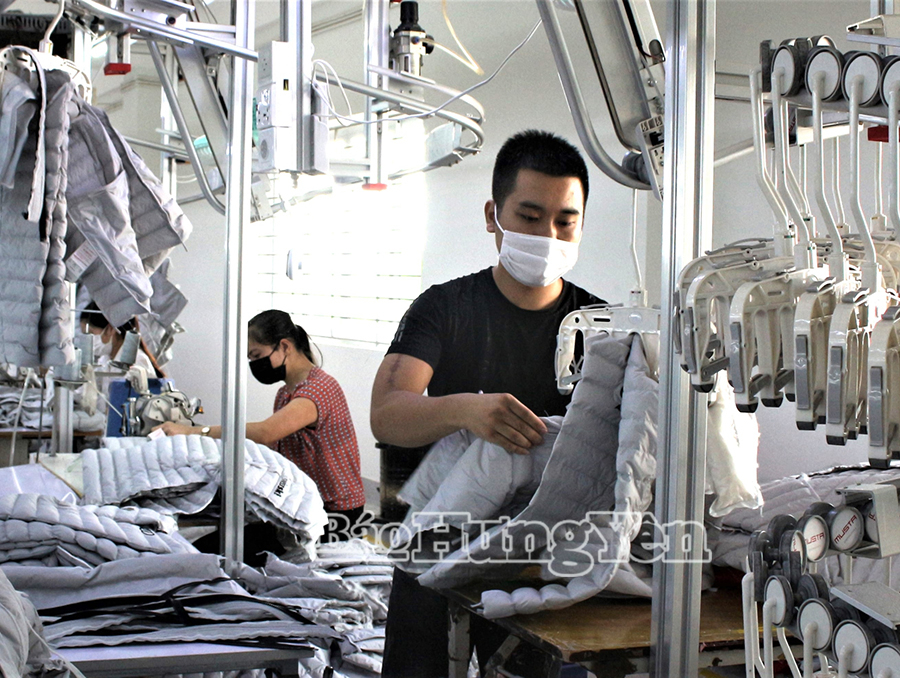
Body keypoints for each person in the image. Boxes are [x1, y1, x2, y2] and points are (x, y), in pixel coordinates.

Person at [372, 130, 604, 678]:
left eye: (565, 221)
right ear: (492, 215)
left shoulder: (601, 326)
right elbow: (387, 412)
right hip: (439, 540)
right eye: (529, 216)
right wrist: (466, 410)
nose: (547, 236)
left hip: (539, 554)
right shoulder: (444, 308)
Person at [156, 310, 365, 544]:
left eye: (257, 355)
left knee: (219, 548)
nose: (255, 364)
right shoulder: (285, 394)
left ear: (284, 346)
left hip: (337, 515)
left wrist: (195, 432)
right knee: (214, 543)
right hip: (303, 504)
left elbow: (266, 433)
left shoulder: (319, 389)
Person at [79, 301, 164, 379]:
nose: (88, 340)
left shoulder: (137, 362)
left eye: (91, 333)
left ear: (110, 329)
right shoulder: (105, 360)